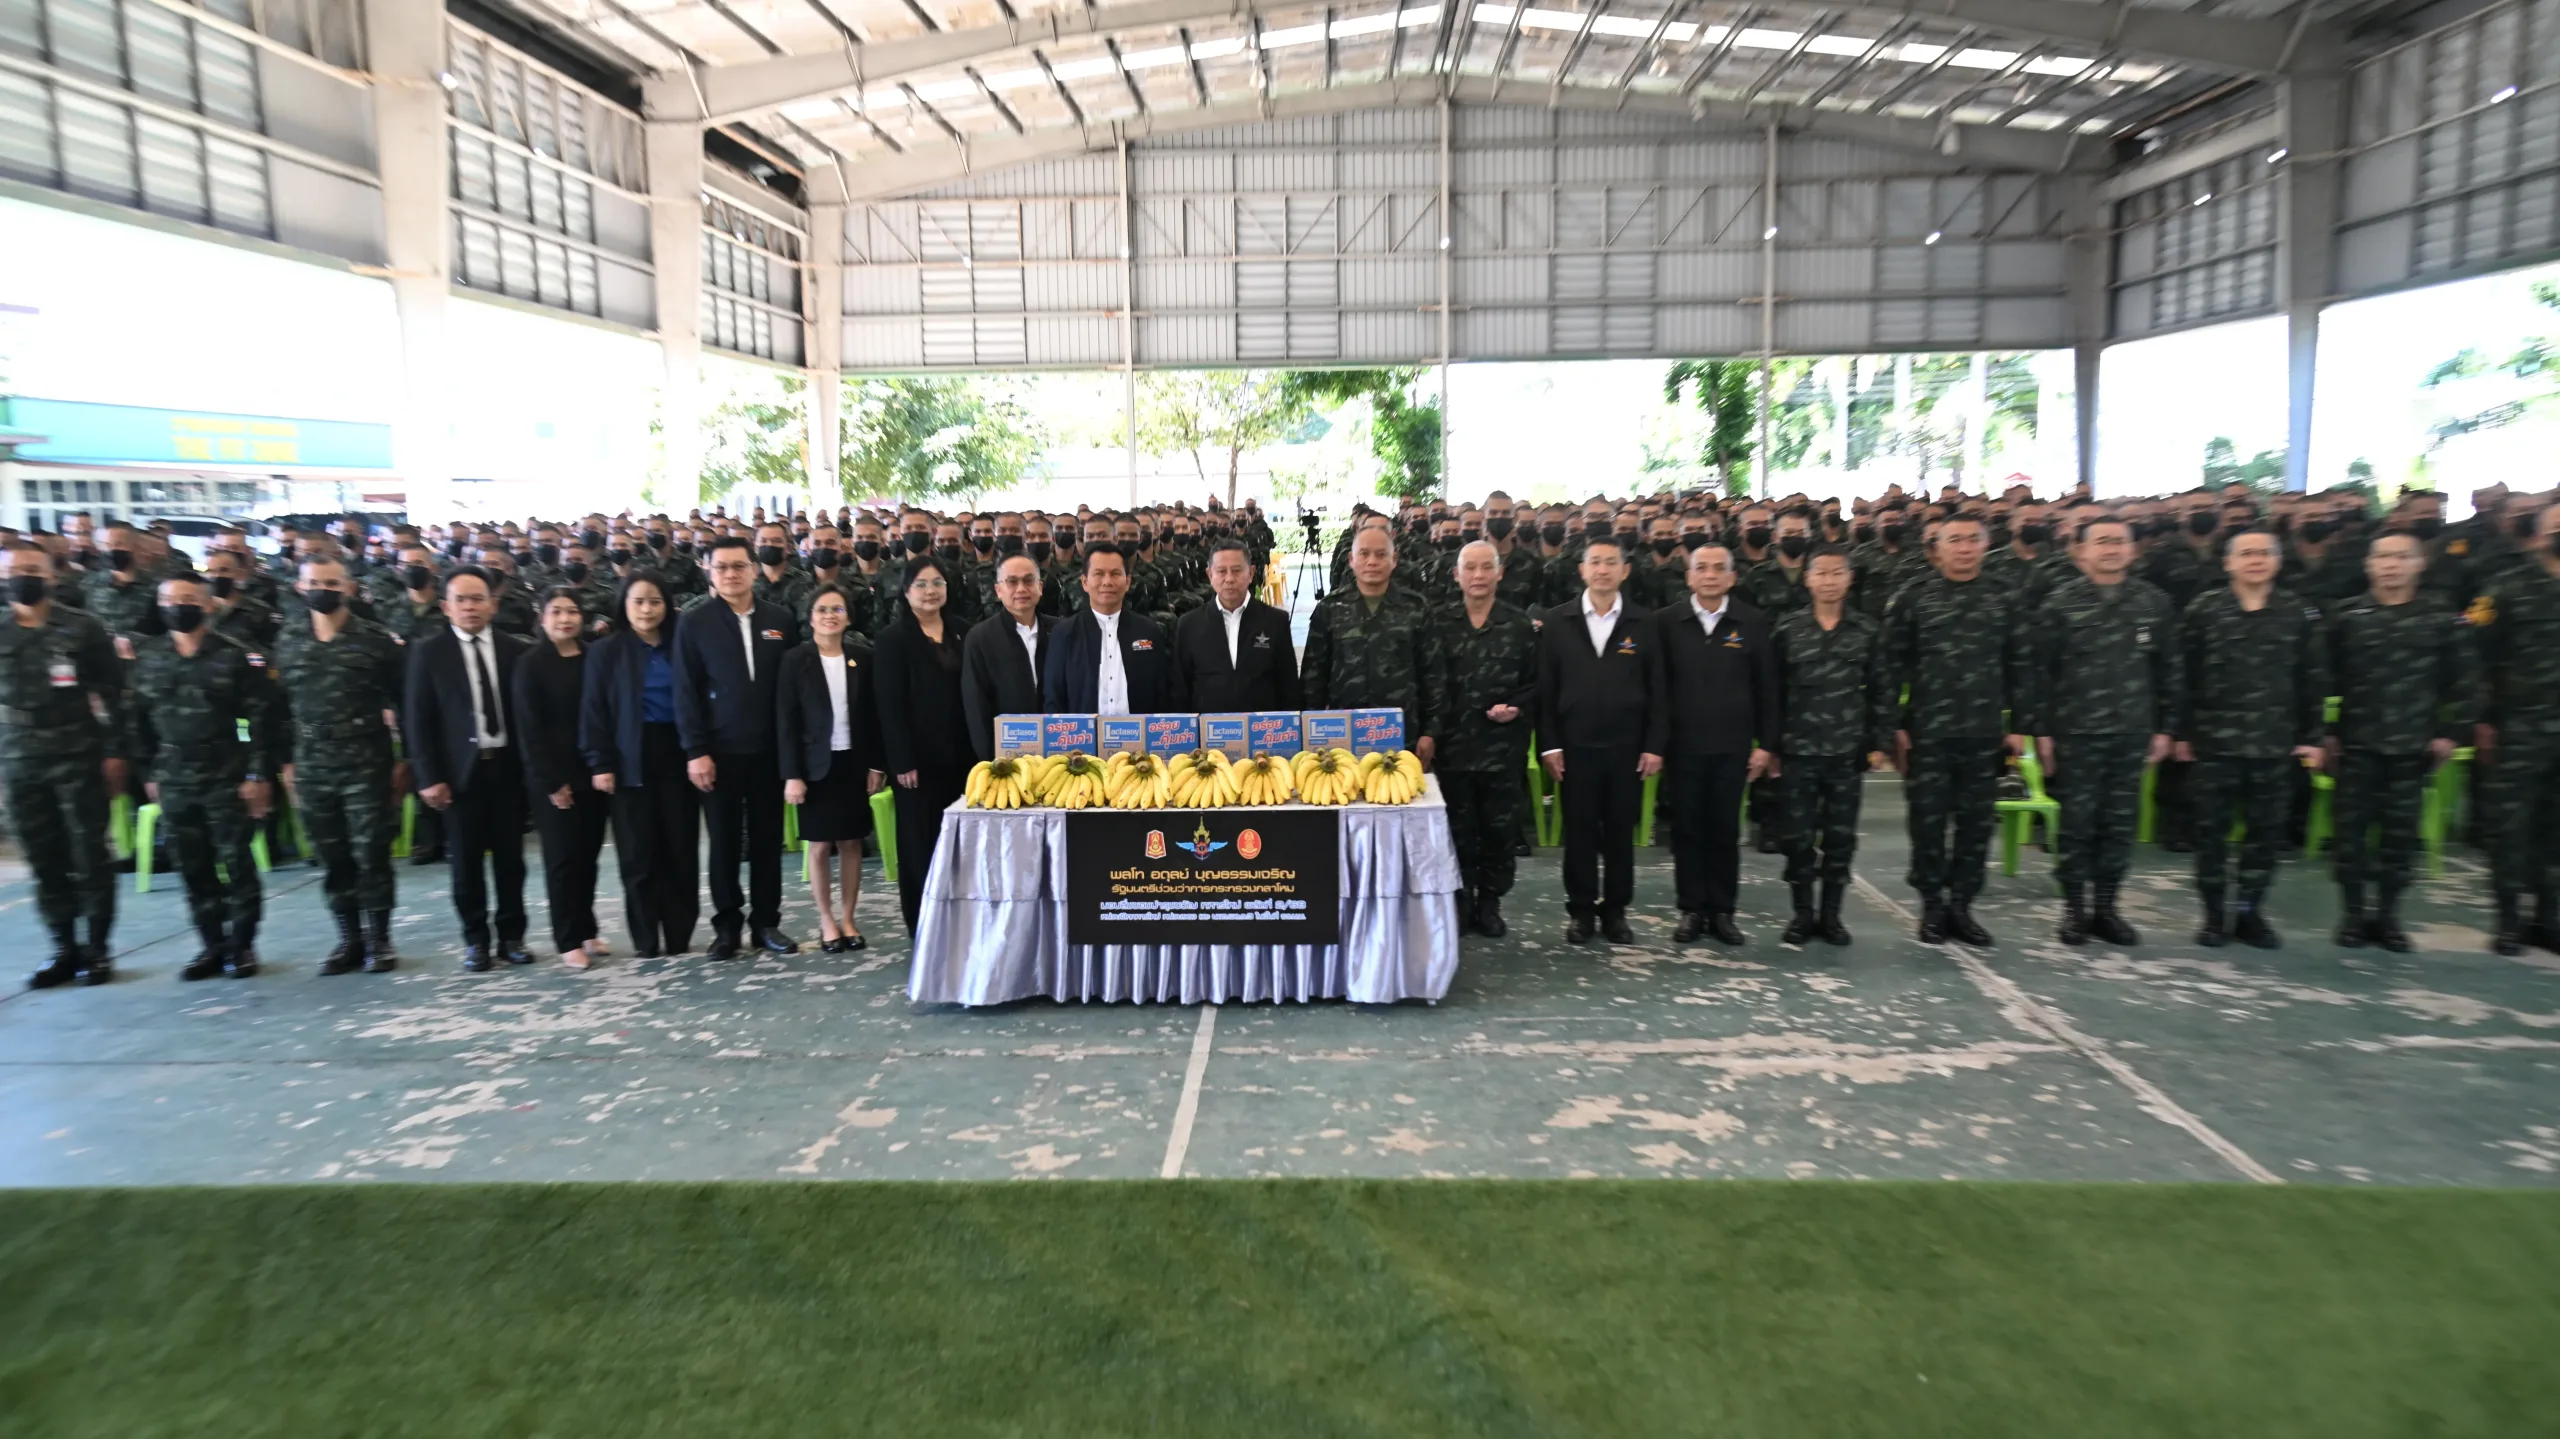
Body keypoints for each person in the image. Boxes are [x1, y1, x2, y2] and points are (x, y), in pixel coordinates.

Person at [2026, 516, 2181, 947]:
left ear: (2133, 550)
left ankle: (2107, 909)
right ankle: (2075, 909)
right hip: (2076, 731)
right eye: (2102, 542)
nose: (2112, 550)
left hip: (2133, 729)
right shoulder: (2059, 605)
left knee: (2119, 822)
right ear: (2081, 551)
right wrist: (2042, 731)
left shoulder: (2154, 603)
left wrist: (2167, 727)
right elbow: (2040, 675)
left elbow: (2170, 670)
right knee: (2076, 823)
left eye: (2119, 542)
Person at [2320, 532, 2476, 951]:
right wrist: (2323, 734)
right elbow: (2318, 679)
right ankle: (2353, 915)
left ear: (2419, 564)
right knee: (2350, 837)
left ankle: (2388, 917)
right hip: (2355, 745)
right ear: (2369, 565)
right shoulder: (2345, 617)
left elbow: (2467, 681)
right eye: (2383, 557)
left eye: (2402, 557)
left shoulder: (2442, 617)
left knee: (2400, 838)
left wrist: (2450, 733)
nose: (2391, 565)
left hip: (2414, 746)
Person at [2175, 528, 2328, 949]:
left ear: (2277, 561)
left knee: (2265, 835)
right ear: (2229, 562)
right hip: (2214, 743)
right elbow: (2182, 675)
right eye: (2246, 553)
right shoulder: (2204, 610)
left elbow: (2312, 679)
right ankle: (2213, 915)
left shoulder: (2296, 612)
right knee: (2210, 835)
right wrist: (2181, 732)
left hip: (2275, 743)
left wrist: (2313, 736)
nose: (2256, 560)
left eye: (2264, 553)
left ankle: (2249, 912)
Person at [1884, 514, 2030, 946]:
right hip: (1927, 732)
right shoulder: (1913, 596)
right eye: (1954, 540)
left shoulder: (2006, 596)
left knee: (1976, 824)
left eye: (1972, 540)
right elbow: (1889, 666)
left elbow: (2022, 665)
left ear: (1985, 545)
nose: (1964, 548)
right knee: (1927, 824)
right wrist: (1892, 726)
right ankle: (1932, 905)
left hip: (1984, 733)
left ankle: (1962, 906)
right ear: (1937, 547)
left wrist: (2020, 726)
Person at [127, 574, 277, 980]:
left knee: (237, 863)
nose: (179, 607)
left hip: (226, 776)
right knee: (192, 866)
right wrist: (148, 773)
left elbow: (259, 720)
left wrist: (256, 774)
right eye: (170, 600)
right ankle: (211, 945)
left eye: (189, 599)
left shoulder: (234, 657)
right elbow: (137, 721)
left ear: (207, 605)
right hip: (173, 777)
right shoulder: (150, 658)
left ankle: (241, 945)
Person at [271, 555, 409, 974]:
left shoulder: (375, 640)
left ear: (348, 588)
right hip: (312, 761)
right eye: (314, 583)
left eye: (332, 583)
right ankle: (348, 938)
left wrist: (405, 760)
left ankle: (379, 939)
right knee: (331, 855)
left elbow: (405, 702)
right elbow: (275, 710)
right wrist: (285, 764)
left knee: (372, 852)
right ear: (300, 587)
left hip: (366, 759)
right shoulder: (288, 640)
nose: (323, 590)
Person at [4, 545, 126, 987]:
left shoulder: (82, 627)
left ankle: (97, 950)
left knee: (89, 854)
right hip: (17, 757)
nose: (24, 577)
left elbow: (115, 691)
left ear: (51, 577)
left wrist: (115, 751)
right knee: (43, 858)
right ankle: (62, 948)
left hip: (77, 753)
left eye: (33, 569)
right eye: (15, 570)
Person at [672, 536, 799, 961]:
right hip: (718, 753)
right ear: (708, 571)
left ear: (754, 569)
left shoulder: (780, 618)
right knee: (724, 843)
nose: (730, 574)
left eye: (739, 566)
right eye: (721, 567)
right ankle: (727, 927)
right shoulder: (695, 622)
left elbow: (791, 690)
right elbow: (685, 692)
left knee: (767, 841)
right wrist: (695, 751)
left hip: (768, 751)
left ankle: (766, 923)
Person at [1645, 542, 1778, 946]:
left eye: (1719, 568)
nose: (1710, 575)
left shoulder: (1752, 622)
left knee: (1724, 829)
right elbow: (1656, 690)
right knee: (1687, 830)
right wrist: (1657, 744)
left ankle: (1722, 911)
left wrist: (1766, 744)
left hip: (1732, 747)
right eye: (1702, 568)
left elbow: (1768, 689)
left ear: (1732, 577)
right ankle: (1691, 910)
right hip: (1682, 747)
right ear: (1689, 577)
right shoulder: (1665, 622)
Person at [407, 566, 535, 971]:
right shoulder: (429, 653)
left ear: (493, 604)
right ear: (446, 606)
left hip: (507, 770)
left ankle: (512, 937)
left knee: (511, 861)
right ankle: (476, 940)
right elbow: (418, 720)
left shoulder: (516, 650)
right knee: (466, 864)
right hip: (459, 776)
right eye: (460, 599)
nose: (470, 607)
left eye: (478, 598)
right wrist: (429, 777)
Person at [1535, 535, 1659, 946]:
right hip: (1575, 748)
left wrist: (1654, 744)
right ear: (1582, 570)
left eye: (1611, 562)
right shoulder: (1558, 621)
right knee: (1580, 832)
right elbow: (1546, 690)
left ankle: (1616, 911)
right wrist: (1550, 746)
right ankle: (1582, 911)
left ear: (1625, 571)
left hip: (1628, 749)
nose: (1603, 570)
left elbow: (1659, 690)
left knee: (1621, 833)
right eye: (1595, 562)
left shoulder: (1645, 623)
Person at [1769, 548, 1893, 946]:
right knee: (1798, 838)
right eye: (1820, 573)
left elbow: (1882, 690)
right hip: (1798, 750)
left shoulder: (1867, 630)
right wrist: (1771, 745)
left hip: (1846, 751)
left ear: (1849, 579)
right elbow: (1772, 692)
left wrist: (1880, 742)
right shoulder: (1788, 630)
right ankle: (1803, 913)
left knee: (1841, 838)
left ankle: (1832, 915)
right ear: (1808, 579)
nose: (1828, 581)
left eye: (1837, 573)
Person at [583, 574, 699, 957]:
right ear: (624, 605)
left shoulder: (681, 645)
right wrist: (600, 763)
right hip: (628, 757)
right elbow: (594, 711)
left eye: (655, 601)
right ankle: (646, 940)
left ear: (667, 606)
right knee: (638, 855)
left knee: (680, 849)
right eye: (638, 601)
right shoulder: (606, 651)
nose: (647, 609)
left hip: (679, 753)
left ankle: (679, 937)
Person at [1431, 540, 1538, 937]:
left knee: (1499, 831)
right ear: (1456, 575)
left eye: (1486, 567)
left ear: (1499, 573)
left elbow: (1536, 683)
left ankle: (1490, 902)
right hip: (1452, 748)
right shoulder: (1438, 623)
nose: (1478, 575)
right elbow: (1427, 681)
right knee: (1456, 831)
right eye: (1470, 568)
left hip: (1501, 750)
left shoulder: (1519, 625)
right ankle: (1459, 901)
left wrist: (1517, 707)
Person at [2474, 503, 2560, 957]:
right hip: (2518, 726)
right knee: (2509, 826)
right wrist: (2483, 719)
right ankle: (2509, 920)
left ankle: (2550, 918)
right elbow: (2475, 655)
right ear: (2540, 535)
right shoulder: (2506, 586)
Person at [779, 585, 882, 953]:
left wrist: (876, 765)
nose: (829, 616)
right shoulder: (795, 660)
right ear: (810, 618)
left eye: (837, 609)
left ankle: (849, 918)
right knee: (820, 845)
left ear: (848, 617)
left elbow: (873, 716)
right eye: (822, 609)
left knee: (852, 842)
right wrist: (792, 775)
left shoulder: (862, 658)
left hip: (853, 763)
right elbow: (786, 721)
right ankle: (826, 920)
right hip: (814, 767)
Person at [874, 555, 972, 934]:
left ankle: (959, 920)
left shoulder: (963, 631)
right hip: (916, 763)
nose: (930, 591)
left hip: (962, 758)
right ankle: (923, 924)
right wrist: (901, 760)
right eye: (921, 584)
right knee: (919, 844)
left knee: (960, 841)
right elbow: (888, 705)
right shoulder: (893, 640)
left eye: (937, 583)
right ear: (906, 591)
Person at [515, 588, 611, 968]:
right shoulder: (530, 664)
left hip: (593, 771)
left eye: (571, 611)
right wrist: (551, 782)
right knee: (562, 860)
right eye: (556, 612)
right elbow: (529, 731)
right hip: (554, 778)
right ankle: (567, 938)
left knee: (588, 856)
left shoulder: (593, 656)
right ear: (542, 618)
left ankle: (587, 930)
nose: (565, 619)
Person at [1303, 522, 1440, 765]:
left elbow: (1433, 674)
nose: (1372, 562)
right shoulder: (1330, 608)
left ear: (1394, 559)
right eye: (1364, 554)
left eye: (1381, 554)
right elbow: (1313, 676)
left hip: (1403, 733)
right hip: (1343, 734)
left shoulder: (1416, 608)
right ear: (1351, 559)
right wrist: (1311, 731)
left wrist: (1430, 731)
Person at [1170, 538, 1301, 713]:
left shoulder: (1276, 621)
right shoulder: (1189, 624)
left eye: (1237, 570)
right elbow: (1180, 689)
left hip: (1263, 726)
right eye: (1221, 571)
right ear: (1210, 575)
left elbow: (1288, 686)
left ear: (1251, 573)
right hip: (1208, 726)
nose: (1229, 579)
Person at [1041, 543, 1174, 714]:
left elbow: (1162, 694)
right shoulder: (1064, 633)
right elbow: (1054, 697)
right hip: (1082, 730)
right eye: (1098, 574)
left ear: (1128, 582)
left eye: (1115, 574)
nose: (1107, 582)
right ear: (1084, 582)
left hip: (1139, 730)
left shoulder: (1149, 631)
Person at [961, 553, 1053, 760]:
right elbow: (976, 706)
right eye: (1012, 582)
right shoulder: (980, 638)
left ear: (1040, 587)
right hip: (1006, 754)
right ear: (998, 590)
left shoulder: (1060, 631)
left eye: (1028, 581)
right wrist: (989, 759)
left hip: (1059, 747)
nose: (1021, 589)